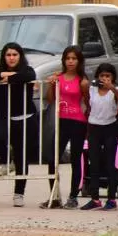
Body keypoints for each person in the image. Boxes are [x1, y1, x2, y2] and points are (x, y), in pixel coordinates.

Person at [0, 42, 38, 207]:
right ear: (4, 57)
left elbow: (28, 76)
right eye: (8, 55)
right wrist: (4, 75)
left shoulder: (26, 69)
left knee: (22, 157)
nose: (11, 58)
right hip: (4, 116)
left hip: (25, 118)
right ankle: (7, 161)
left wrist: (8, 77)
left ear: (20, 56)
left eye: (14, 54)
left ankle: (19, 194)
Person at [42, 46, 90, 209]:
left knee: (75, 159)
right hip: (61, 120)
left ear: (79, 61)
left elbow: (88, 103)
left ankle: (73, 196)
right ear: (64, 60)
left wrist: (88, 123)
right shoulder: (59, 78)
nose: (70, 61)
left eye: (74, 59)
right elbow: (50, 99)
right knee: (53, 158)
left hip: (77, 121)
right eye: (68, 58)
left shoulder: (82, 81)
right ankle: (54, 196)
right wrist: (52, 85)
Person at [80, 63, 118, 210]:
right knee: (94, 163)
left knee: (109, 163)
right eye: (102, 76)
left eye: (108, 76)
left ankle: (111, 199)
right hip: (94, 127)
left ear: (112, 77)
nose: (104, 79)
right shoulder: (92, 90)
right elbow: (88, 103)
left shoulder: (115, 91)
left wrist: (111, 87)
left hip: (109, 127)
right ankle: (95, 198)